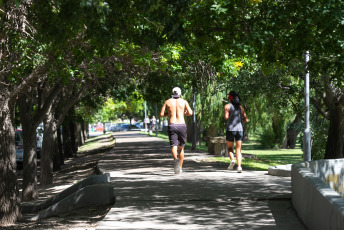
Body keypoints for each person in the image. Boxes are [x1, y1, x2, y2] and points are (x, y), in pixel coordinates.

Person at [160, 87, 193, 174]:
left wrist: (169, 113)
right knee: (181, 148)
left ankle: (176, 161)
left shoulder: (168, 101)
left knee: (174, 146)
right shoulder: (184, 101)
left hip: (172, 125)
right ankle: (180, 167)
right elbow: (190, 112)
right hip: (182, 125)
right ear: (180, 94)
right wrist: (184, 113)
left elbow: (161, 114)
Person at [224, 91, 248, 173]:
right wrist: (242, 119)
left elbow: (226, 117)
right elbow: (246, 119)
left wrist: (229, 115)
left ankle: (232, 160)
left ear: (229, 98)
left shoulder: (227, 106)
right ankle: (239, 167)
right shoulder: (241, 108)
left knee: (230, 148)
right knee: (238, 149)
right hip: (240, 130)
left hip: (230, 129)